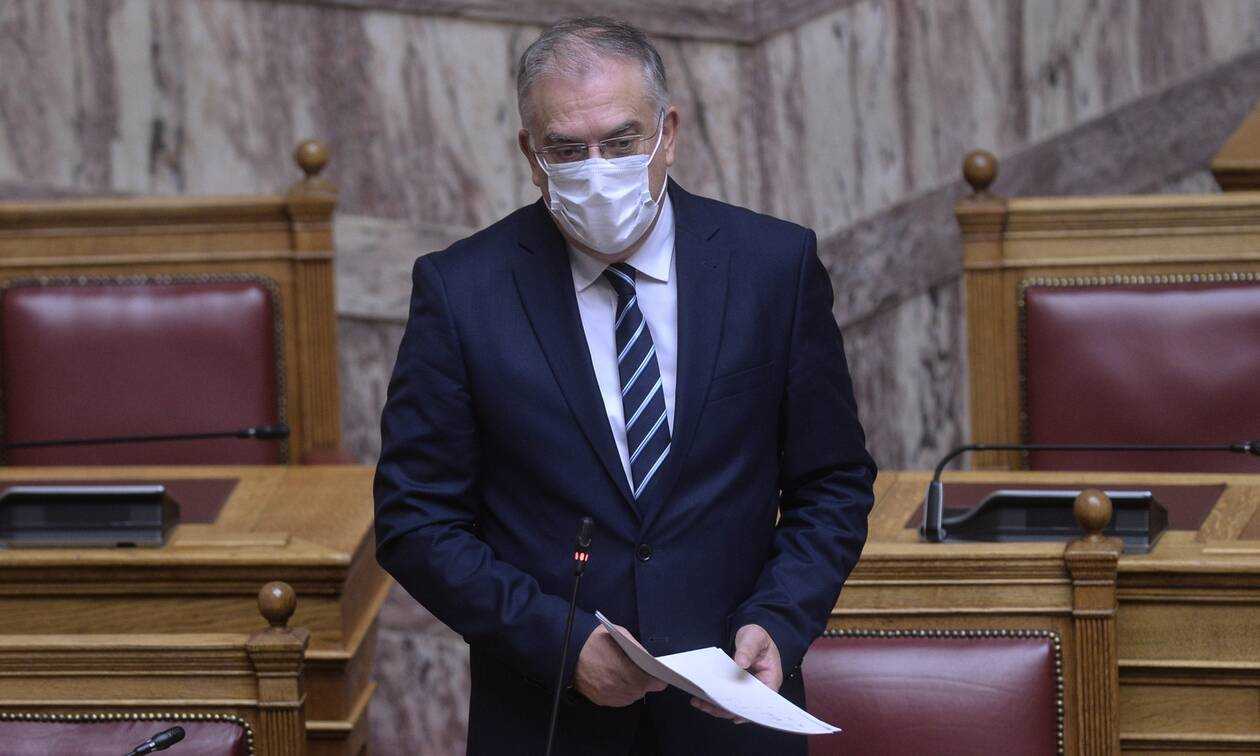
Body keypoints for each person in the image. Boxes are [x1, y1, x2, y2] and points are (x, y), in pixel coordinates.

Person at [374, 15, 876, 755]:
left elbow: (831, 481)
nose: (597, 168)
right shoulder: (462, 291)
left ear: (667, 133)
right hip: (550, 722)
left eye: (620, 141)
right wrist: (561, 643)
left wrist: (780, 619)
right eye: (566, 150)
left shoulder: (773, 267)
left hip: (732, 716)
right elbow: (415, 520)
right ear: (530, 155)